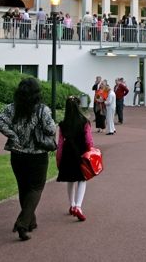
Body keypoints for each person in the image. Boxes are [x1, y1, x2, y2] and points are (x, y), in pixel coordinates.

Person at [0, 77, 57, 241]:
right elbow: (51, 129)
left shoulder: (12, 108)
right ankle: (22, 223)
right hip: (37, 154)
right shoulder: (42, 110)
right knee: (36, 188)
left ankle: (31, 221)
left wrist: (13, 135)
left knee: (24, 187)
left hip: (17, 154)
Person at [56, 96, 93, 224]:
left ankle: (72, 205)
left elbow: (60, 144)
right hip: (81, 153)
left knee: (70, 179)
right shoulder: (84, 122)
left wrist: (59, 158)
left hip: (67, 154)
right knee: (82, 179)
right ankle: (78, 206)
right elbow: (89, 141)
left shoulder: (63, 124)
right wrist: (90, 151)